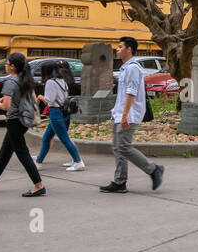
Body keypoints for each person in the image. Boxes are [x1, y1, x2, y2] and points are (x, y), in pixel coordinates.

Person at [100, 37, 165, 193]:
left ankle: (154, 169)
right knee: (118, 148)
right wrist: (118, 113)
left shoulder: (133, 68)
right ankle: (120, 182)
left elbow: (131, 93)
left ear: (129, 49)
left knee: (123, 146)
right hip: (119, 113)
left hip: (128, 114)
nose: (117, 49)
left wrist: (124, 116)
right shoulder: (124, 68)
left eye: (120, 46)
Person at [0, 53, 46, 203]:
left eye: (7, 63)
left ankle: (39, 185)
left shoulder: (11, 82)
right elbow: (33, 99)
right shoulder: (26, 79)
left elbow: (6, 106)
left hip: (14, 121)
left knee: (22, 153)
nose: (5, 65)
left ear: (13, 67)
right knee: (4, 153)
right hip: (23, 120)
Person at [35, 60, 84, 171]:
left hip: (55, 112)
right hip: (63, 112)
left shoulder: (50, 82)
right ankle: (38, 162)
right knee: (47, 138)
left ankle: (78, 161)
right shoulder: (62, 81)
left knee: (64, 138)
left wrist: (41, 97)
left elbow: (50, 100)